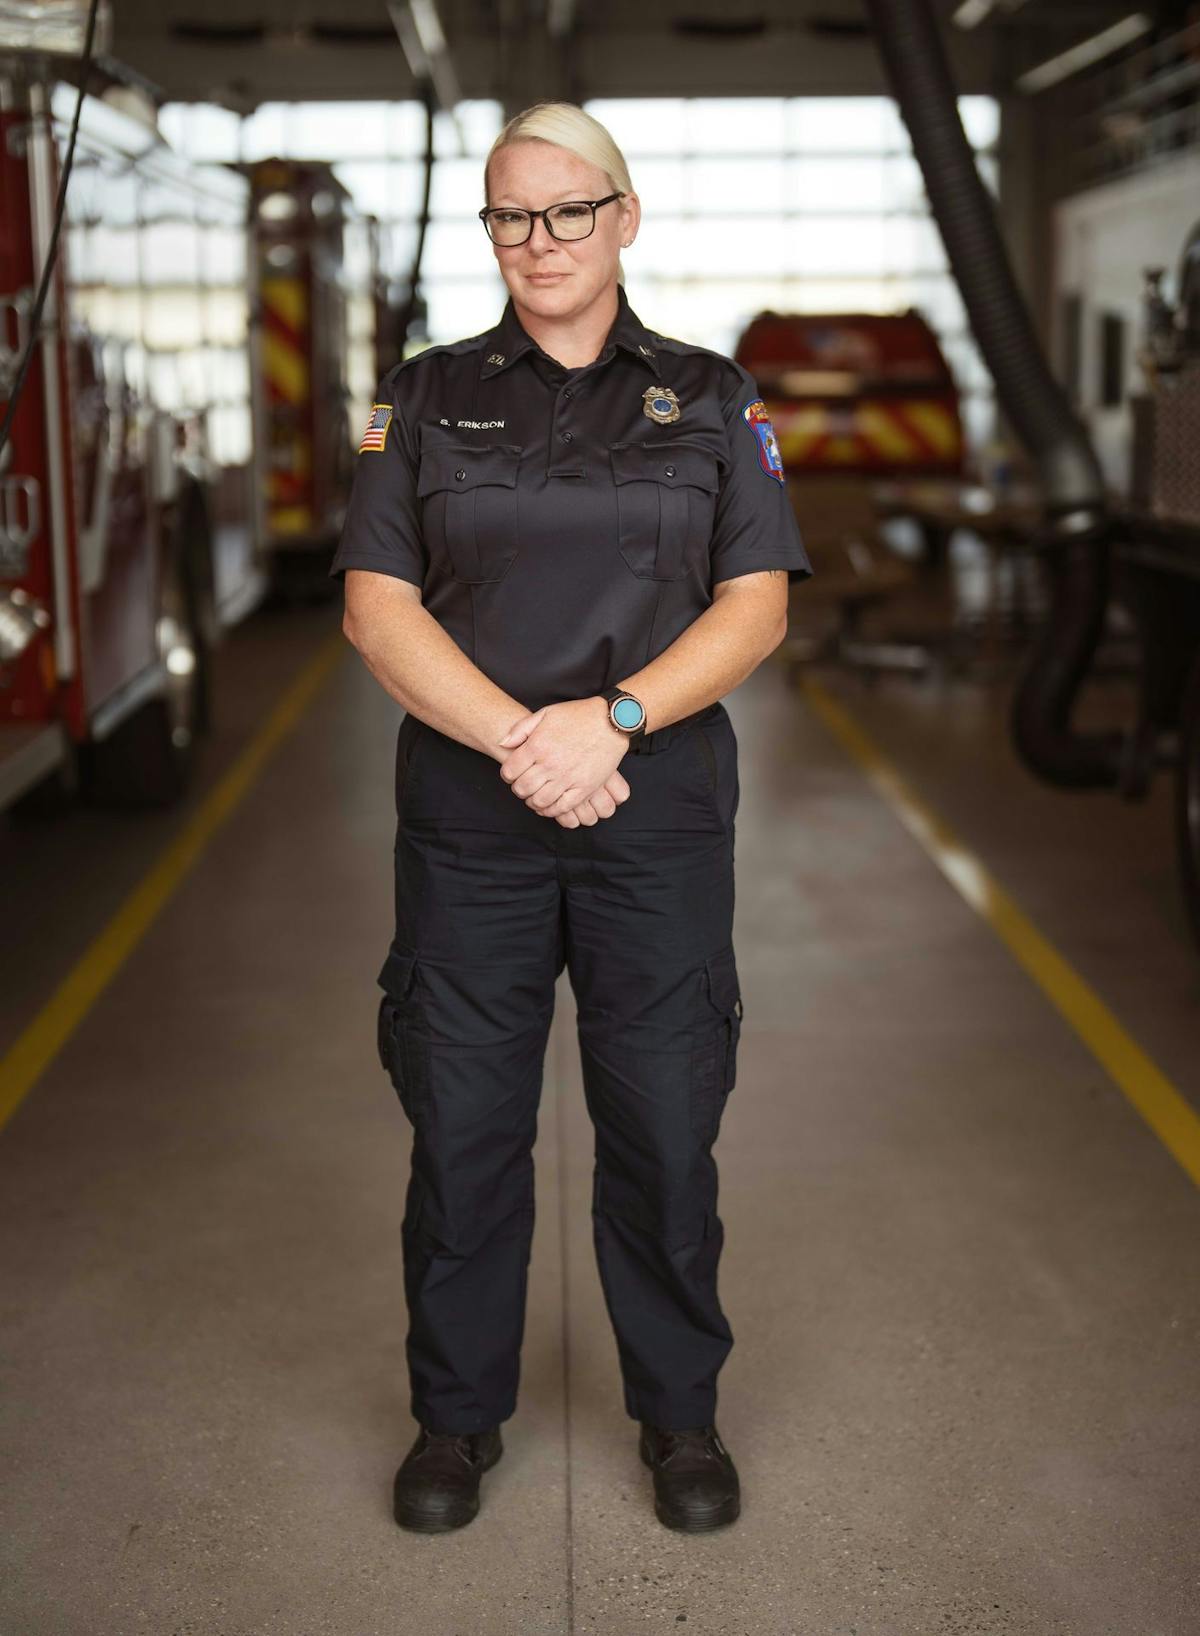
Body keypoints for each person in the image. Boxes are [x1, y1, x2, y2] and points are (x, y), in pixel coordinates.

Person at [330, 100, 812, 1536]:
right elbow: (375, 607)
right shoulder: (414, 399)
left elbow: (758, 604)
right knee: (464, 1126)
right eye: (507, 215)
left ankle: (680, 1417)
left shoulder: (717, 399)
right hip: (472, 821)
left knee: (665, 1122)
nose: (536, 241)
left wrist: (605, 724)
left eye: (564, 211)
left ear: (623, 219)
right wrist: (521, 743)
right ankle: (454, 1422)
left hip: (651, 808)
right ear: (489, 230)